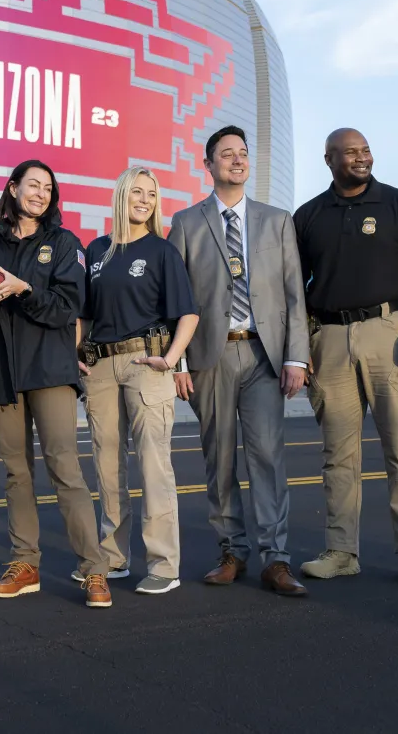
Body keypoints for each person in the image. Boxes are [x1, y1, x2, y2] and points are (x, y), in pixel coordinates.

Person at [0, 160, 113, 609]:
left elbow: (66, 309)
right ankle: (25, 563)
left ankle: (94, 570)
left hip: (49, 370)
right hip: (1, 371)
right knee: (16, 473)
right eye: (33, 185)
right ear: (13, 189)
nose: (40, 194)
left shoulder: (64, 244)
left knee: (65, 468)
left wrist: (21, 288)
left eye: (48, 188)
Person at [294, 128, 398, 587]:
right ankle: (342, 552)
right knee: (338, 456)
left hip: (390, 333)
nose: (361, 158)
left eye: (365, 150)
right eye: (350, 152)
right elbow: (292, 288)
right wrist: (302, 348)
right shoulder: (309, 216)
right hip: (330, 338)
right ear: (328, 160)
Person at [167, 126, 311, 597]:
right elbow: (176, 297)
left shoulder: (277, 221)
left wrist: (297, 357)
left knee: (268, 457)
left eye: (242, 153)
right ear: (207, 165)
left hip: (264, 355)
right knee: (220, 457)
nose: (236, 160)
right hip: (209, 354)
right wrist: (178, 363)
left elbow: (294, 295)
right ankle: (232, 550)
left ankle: (276, 558)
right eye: (226, 154)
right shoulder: (187, 222)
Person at [77, 166, 199, 595]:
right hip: (101, 368)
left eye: (151, 194)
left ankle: (164, 564)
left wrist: (171, 359)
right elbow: (85, 313)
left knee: (153, 466)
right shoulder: (96, 251)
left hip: (146, 365)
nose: (144, 200)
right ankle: (113, 559)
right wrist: (78, 351)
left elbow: (189, 312)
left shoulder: (163, 252)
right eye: (137, 192)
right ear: (121, 195)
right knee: (107, 467)